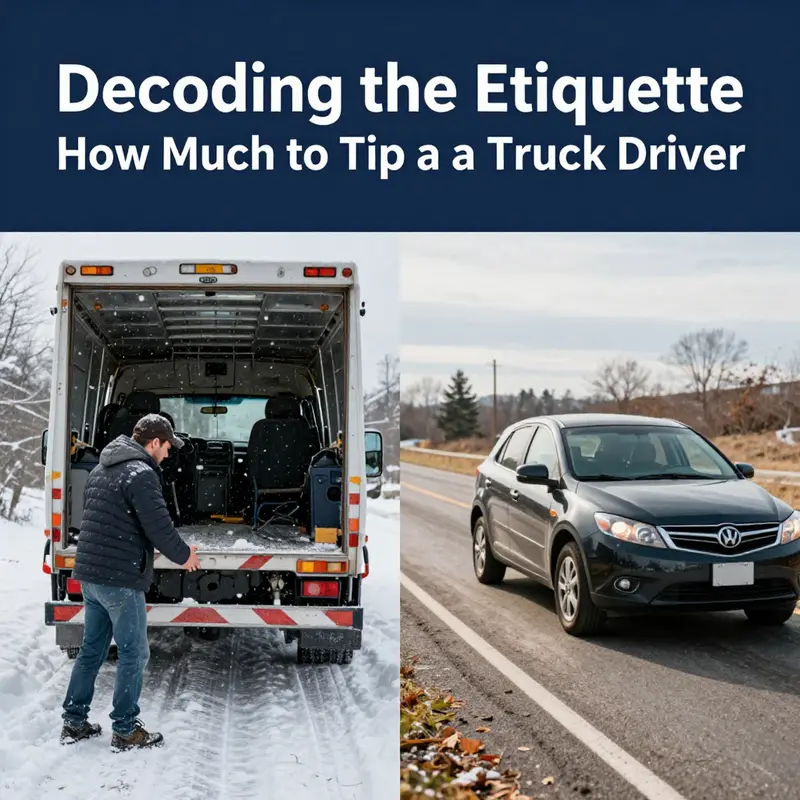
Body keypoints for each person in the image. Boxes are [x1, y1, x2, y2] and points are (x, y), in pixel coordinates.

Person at [60, 413, 201, 751]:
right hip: (118, 580)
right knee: (134, 652)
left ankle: (74, 721)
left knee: (92, 650)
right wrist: (185, 556)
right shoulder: (140, 474)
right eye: (166, 447)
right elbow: (159, 526)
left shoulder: (102, 468)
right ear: (154, 442)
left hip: (91, 575)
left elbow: (106, 520)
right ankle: (125, 730)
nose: (167, 455)